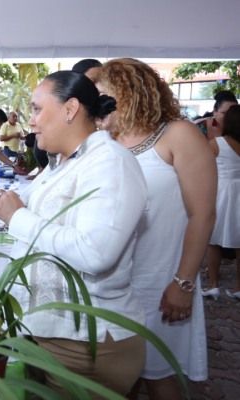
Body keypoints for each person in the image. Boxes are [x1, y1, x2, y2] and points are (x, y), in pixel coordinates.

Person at [0, 71, 147, 395]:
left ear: (70, 109)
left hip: (85, 341)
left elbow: (95, 253)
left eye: (36, 109)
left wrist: (17, 217)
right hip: (52, 333)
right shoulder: (64, 162)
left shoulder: (110, 163)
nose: (31, 121)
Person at [98, 58, 217, 399]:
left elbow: (203, 215)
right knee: (119, 380)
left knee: (161, 378)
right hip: (114, 284)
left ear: (131, 92)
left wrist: (184, 282)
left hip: (162, 279)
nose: (99, 105)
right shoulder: (104, 140)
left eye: (105, 96)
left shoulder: (178, 134)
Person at [203, 104, 240, 300]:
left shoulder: (216, 143)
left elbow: (203, 167)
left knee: (213, 241)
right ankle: (238, 287)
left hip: (223, 192)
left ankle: (213, 285)